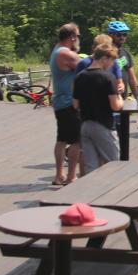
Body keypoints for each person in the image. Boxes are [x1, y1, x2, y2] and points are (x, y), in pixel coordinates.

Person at [73, 42, 124, 173]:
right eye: (112, 60)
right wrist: (121, 99)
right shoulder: (108, 77)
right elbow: (116, 106)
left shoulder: (80, 77)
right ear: (104, 58)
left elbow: (75, 104)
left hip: (85, 125)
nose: (112, 64)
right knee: (114, 163)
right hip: (103, 125)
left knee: (91, 166)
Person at [49, 23, 82, 187]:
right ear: (72, 37)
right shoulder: (64, 53)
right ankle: (70, 177)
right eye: (78, 36)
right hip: (69, 102)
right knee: (76, 141)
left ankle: (59, 175)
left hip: (60, 101)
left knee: (62, 139)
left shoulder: (57, 49)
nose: (78, 40)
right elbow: (86, 66)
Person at [106, 21, 138, 100]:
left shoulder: (125, 53)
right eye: (119, 35)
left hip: (122, 98)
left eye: (124, 34)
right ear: (110, 35)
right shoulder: (105, 53)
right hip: (107, 98)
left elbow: (132, 78)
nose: (122, 37)